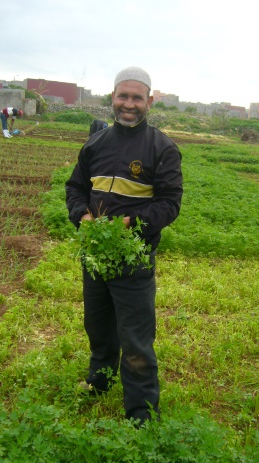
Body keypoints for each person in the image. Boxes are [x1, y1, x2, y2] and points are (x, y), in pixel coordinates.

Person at [65, 66, 183, 426]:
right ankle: (99, 381)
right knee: (98, 325)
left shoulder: (162, 148)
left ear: (149, 101)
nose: (128, 104)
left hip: (134, 259)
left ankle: (141, 414)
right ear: (112, 98)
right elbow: (75, 188)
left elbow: (169, 203)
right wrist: (82, 216)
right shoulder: (95, 143)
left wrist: (130, 224)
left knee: (135, 337)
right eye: (122, 96)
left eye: (136, 98)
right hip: (96, 256)